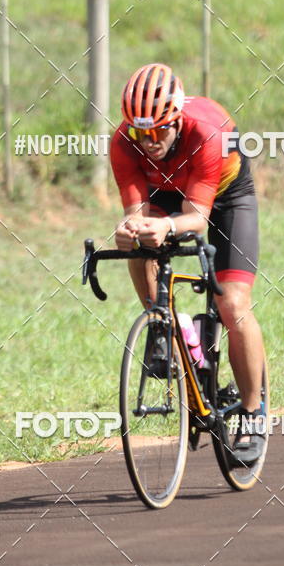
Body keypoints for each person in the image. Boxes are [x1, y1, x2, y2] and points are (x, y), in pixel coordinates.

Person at [110, 62, 265, 466]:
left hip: (227, 197)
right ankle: (162, 323)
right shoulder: (124, 142)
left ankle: (252, 414)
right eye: (141, 131)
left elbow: (197, 219)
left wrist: (165, 228)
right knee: (139, 242)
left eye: (159, 130)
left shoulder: (205, 133)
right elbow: (136, 212)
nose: (149, 140)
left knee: (232, 304)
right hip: (167, 190)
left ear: (176, 120)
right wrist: (129, 229)